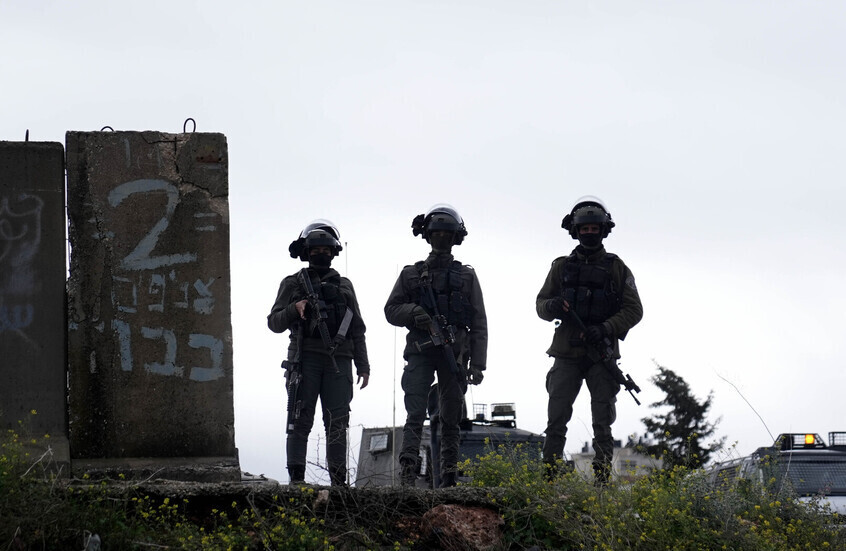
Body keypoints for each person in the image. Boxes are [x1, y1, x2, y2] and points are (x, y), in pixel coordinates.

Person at [536, 196, 643, 485]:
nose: (589, 233)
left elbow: (634, 310)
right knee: (556, 420)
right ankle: (549, 477)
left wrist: (607, 327)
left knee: (602, 423)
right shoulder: (561, 267)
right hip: (566, 352)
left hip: (600, 355)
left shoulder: (616, 268)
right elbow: (541, 304)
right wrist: (554, 306)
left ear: (603, 229)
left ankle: (602, 480)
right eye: (584, 229)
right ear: (575, 230)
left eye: (594, 228)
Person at [385, 204, 487, 488]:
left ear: (456, 237)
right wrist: (414, 313)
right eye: (437, 233)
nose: (441, 238)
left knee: (451, 416)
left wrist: (478, 364)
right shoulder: (411, 275)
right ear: (428, 235)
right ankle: (408, 472)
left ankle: (450, 475)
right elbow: (391, 310)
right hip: (420, 350)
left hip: (453, 354)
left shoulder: (466, 276)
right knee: (415, 412)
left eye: (447, 233)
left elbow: (479, 322)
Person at [267, 220, 370, 486]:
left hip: (339, 360)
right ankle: (297, 480)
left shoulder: (345, 286)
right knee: (299, 419)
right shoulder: (293, 284)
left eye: (326, 248)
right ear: (306, 251)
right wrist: (295, 307)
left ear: (334, 251)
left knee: (337, 423)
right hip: (305, 359)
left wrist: (363, 365)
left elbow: (357, 327)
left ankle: (339, 483)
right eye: (315, 249)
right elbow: (274, 322)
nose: (320, 253)